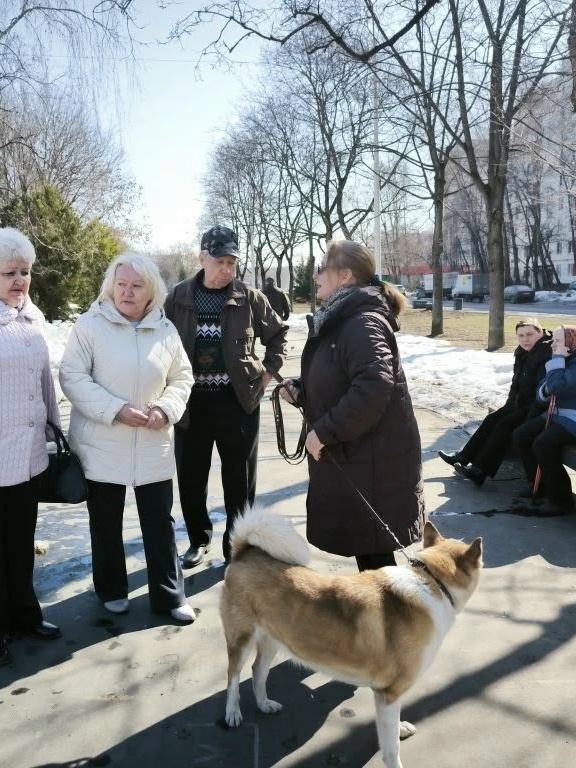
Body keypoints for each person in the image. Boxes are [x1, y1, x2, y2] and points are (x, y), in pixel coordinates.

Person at [59, 254, 195, 622]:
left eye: (136, 286)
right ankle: (111, 589)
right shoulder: (89, 325)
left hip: (153, 442)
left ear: (152, 291)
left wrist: (165, 408)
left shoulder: (165, 329)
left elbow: (182, 377)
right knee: (105, 522)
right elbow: (72, 376)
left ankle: (169, 594)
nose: (127, 292)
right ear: (111, 286)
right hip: (101, 443)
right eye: (121, 284)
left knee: (160, 523)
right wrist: (115, 409)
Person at [281, 239, 425, 572]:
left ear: (345, 275)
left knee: (377, 564)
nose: (315, 276)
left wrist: (325, 432)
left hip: (371, 461)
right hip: (360, 457)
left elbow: (374, 386)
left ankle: (394, 610)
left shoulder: (362, 322)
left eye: (322, 269)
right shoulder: (345, 317)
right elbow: (343, 378)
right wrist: (303, 390)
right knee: (373, 559)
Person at [164, 225, 288, 568]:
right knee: (191, 477)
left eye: (232, 262)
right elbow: (158, 342)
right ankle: (198, 539)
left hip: (238, 402)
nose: (227, 269)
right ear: (202, 258)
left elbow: (278, 335)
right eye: (220, 262)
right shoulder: (177, 298)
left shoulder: (249, 297)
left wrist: (267, 375)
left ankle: (237, 546)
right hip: (191, 404)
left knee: (240, 481)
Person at [0, 227, 62, 667]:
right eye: (9, 273)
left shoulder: (32, 317)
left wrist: (54, 430)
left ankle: (24, 615)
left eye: (24, 272)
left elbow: (45, 381)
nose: (20, 280)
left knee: (21, 542)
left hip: (28, 453)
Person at [439, 318, 552, 487]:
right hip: (519, 403)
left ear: (541, 332)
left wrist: (521, 412)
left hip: (536, 409)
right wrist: (509, 405)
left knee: (504, 425)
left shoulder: (545, 353)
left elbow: (542, 392)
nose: (525, 339)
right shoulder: (523, 352)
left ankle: (480, 471)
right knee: (492, 419)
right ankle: (463, 457)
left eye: (530, 334)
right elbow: (516, 383)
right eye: (521, 336)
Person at [512, 325, 576, 516]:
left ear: (571, 341)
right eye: (553, 340)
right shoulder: (564, 358)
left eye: (558, 341)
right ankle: (539, 484)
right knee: (521, 435)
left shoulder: (565, 360)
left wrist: (557, 361)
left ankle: (561, 500)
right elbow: (543, 389)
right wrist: (547, 389)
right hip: (557, 413)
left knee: (543, 443)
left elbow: (556, 386)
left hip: (572, 418)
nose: (553, 344)